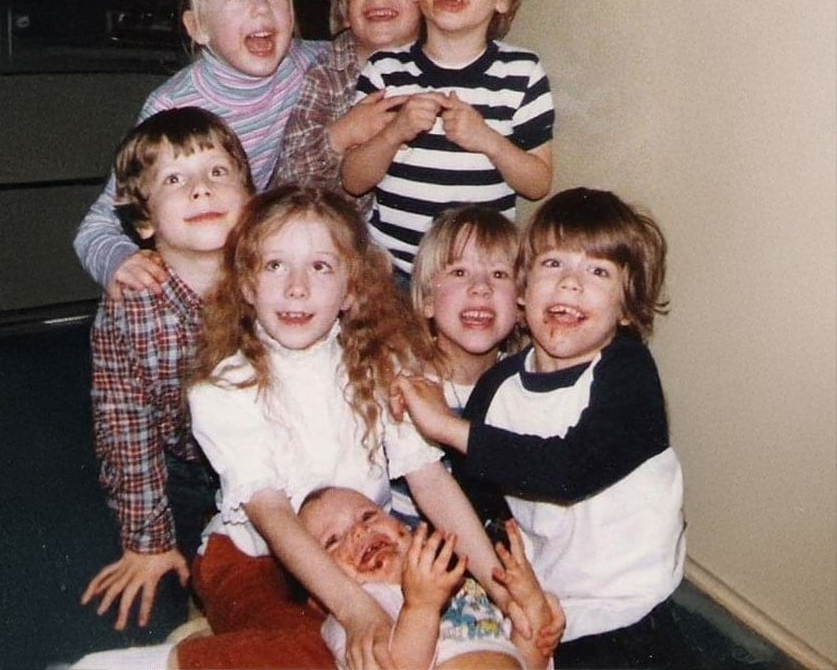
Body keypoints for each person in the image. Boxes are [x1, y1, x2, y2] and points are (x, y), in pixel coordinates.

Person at [173, 185, 556, 669]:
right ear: (247, 285)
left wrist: (501, 590)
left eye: (320, 267)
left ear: (351, 289)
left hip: (360, 548)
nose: (297, 287)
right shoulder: (223, 387)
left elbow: (429, 480)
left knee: (445, 629)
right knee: (309, 655)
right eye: (275, 266)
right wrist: (357, 612)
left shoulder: (382, 361)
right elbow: (272, 515)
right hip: (256, 555)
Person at [394, 187, 689, 668]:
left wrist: (448, 426)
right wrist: (508, 582)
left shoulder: (628, 372)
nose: (570, 284)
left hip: (633, 607)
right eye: (553, 264)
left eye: (598, 271)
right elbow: (477, 500)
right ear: (524, 291)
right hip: (545, 598)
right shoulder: (498, 387)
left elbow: (567, 469)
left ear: (626, 309)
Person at [74, 0, 325, 300]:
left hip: (253, 270)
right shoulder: (170, 107)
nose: (261, 8)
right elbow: (96, 226)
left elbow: (361, 51)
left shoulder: (309, 64)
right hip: (185, 279)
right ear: (198, 28)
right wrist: (118, 261)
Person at [81, 107, 256, 634]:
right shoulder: (129, 308)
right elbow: (125, 427)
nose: (202, 189)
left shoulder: (272, 279)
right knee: (169, 580)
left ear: (249, 199)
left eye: (218, 172)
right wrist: (147, 542)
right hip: (180, 463)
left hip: (267, 454)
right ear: (144, 220)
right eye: (175, 180)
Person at [341, 0, 555, 279]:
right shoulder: (384, 69)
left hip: (479, 275)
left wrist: (487, 140)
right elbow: (353, 179)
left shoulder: (522, 73)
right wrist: (395, 132)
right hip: (392, 272)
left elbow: (538, 182)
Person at [299, 486, 556, 669]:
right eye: (332, 541)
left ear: (407, 529)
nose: (359, 530)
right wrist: (421, 607)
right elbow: (394, 665)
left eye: (368, 515)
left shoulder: (465, 588)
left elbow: (528, 660)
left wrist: (533, 606)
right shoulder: (355, 615)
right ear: (319, 596)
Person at [271, 0, 420, 216]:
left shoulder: (437, 68)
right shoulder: (327, 74)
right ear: (344, 9)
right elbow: (290, 180)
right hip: (332, 227)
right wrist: (344, 133)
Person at [391, 204, 523, 525]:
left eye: (499, 274)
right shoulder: (406, 381)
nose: (481, 287)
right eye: (460, 272)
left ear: (521, 305)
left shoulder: (523, 384)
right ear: (427, 301)